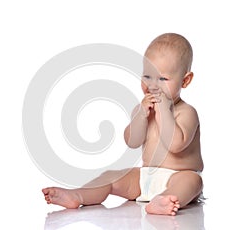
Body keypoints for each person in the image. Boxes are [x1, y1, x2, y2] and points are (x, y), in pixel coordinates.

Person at [42, 33, 204, 216]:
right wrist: (141, 116)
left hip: (178, 176)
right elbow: (132, 141)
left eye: (163, 79)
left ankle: (164, 200)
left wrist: (164, 112)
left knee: (193, 182)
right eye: (147, 76)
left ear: (185, 80)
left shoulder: (187, 112)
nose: (153, 85)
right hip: (146, 176)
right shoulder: (143, 109)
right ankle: (78, 195)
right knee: (111, 176)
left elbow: (175, 145)